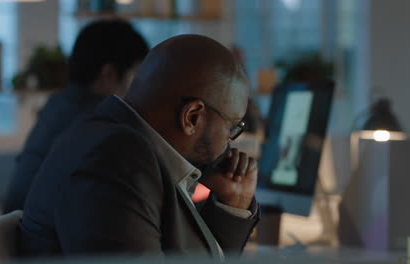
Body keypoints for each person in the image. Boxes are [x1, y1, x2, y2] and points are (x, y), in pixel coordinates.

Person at [20, 34, 260, 260]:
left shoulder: (119, 144)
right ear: (192, 117)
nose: (230, 141)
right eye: (232, 127)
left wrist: (231, 208)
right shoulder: (116, 161)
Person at [3, 19, 149, 213]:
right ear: (109, 74)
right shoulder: (98, 123)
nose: (141, 87)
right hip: (44, 238)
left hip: (20, 230)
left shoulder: (59, 105)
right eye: (137, 75)